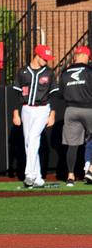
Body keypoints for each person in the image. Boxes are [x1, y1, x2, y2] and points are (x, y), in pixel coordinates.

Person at [12, 44, 59, 188]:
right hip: (26, 109)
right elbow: (16, 94)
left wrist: (52, 114)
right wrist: (15, 113)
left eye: (47, 58)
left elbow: (54, 95)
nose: (46, 60)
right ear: (36, 55)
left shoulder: (49, 73)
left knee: (33, 138)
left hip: (42, 109)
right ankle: (38, 178)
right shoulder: (23, 72)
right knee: (29, 143)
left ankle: (29, 174)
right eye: (44, 58)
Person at [59, 46, 92, 186]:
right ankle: (90, 170)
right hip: (89, 109)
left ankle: (70, 177)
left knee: (72, 145)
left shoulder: (64, 72)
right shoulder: (90, 71)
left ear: (76, 56)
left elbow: (60, 94)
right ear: (86, 56)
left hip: (70, 110)